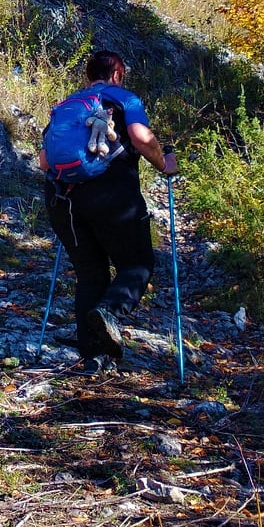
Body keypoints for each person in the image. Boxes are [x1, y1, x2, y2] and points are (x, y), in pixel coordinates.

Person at [39, 48, 178, 371]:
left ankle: (94, 357)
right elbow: (141, 138)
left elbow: (45, 161)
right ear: (117, 74)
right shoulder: (124, 99)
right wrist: (164, 164)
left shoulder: (66, 107)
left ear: (89, 76)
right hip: (113, 196)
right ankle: (111, 311)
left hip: (63, 200)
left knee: (90, 275)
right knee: (136, 264)